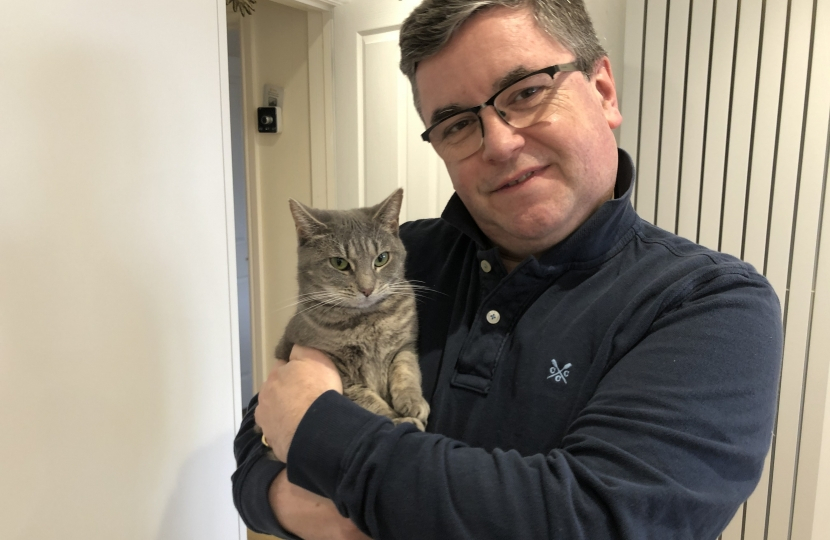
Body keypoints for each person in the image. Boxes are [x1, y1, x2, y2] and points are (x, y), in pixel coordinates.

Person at [232, 0, 783, 538]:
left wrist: (321, 433)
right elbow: (260, 439)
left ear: (604, 91)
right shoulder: (405, 259)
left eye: (527, 92)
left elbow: (597, 520)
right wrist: (296, 505)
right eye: (455, 124)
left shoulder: (710, 303)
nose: (498, 142)